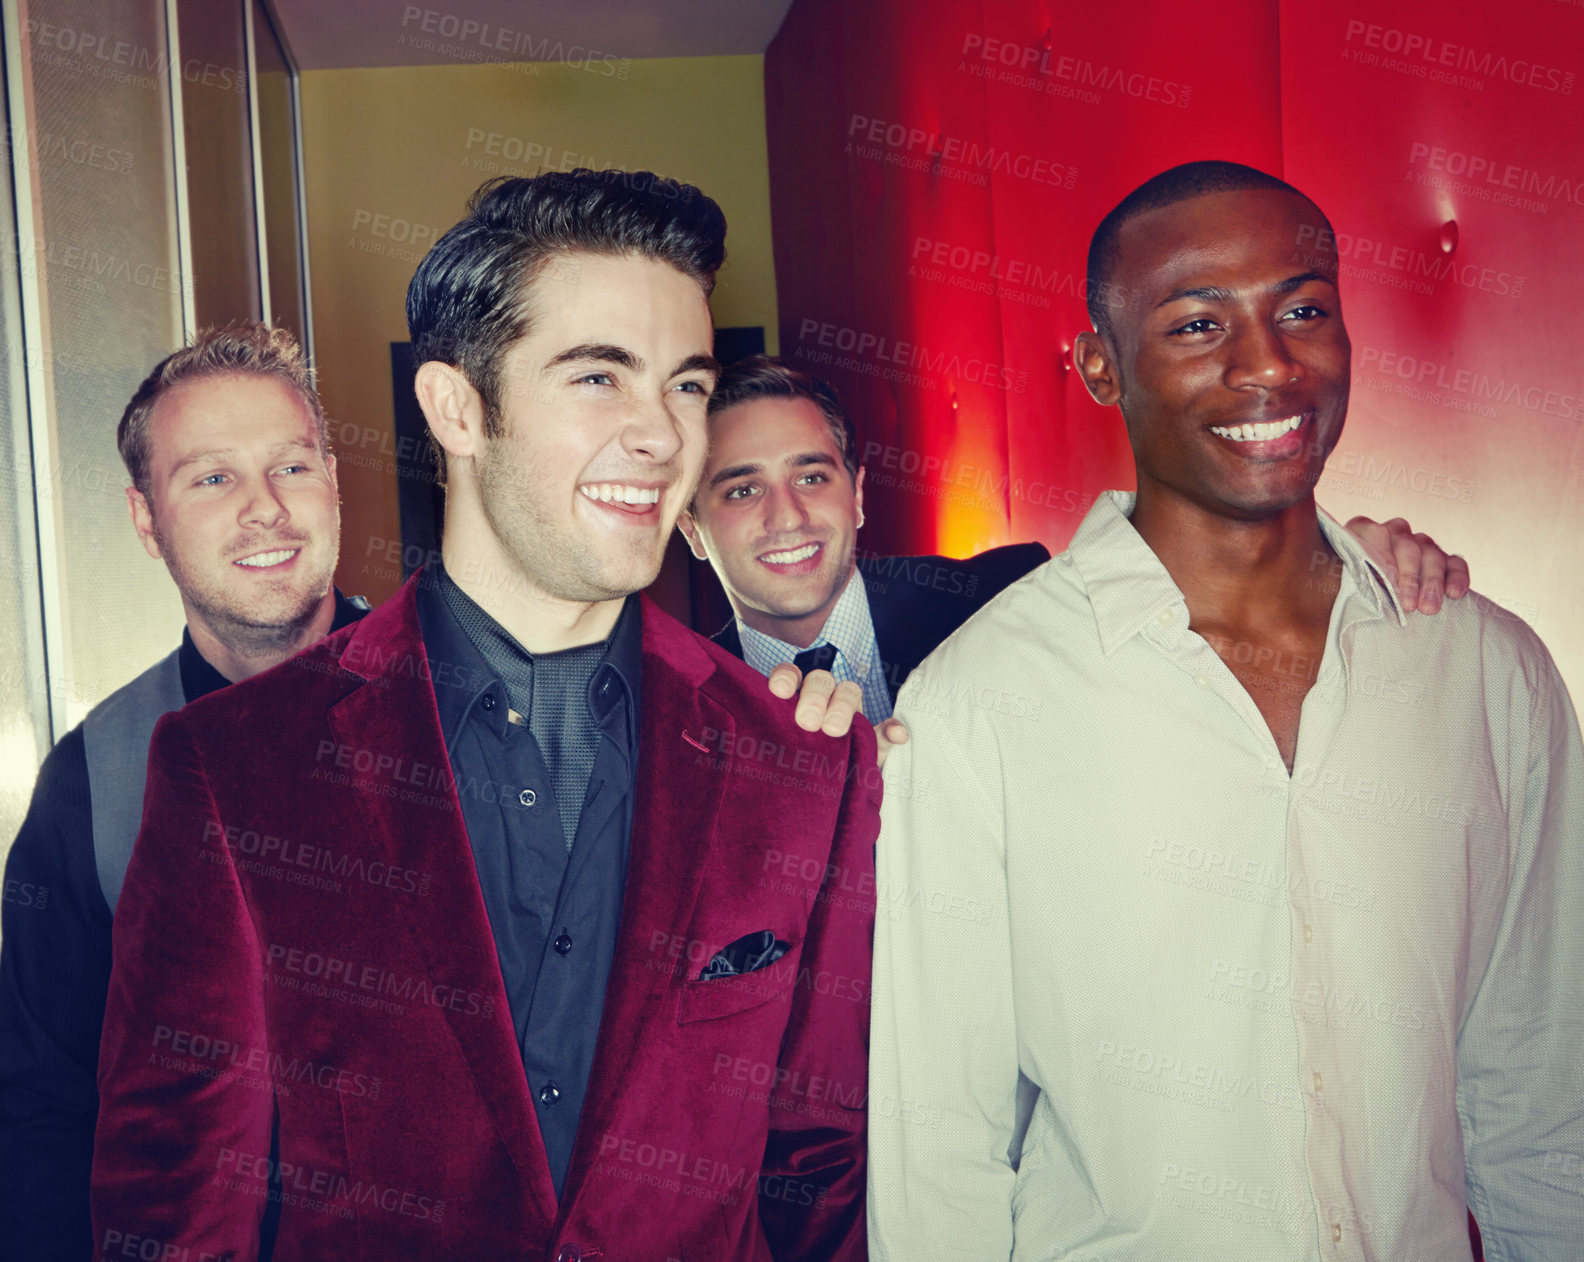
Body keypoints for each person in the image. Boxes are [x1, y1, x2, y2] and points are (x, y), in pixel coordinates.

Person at [91, 170, 877, 1261]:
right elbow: (175, 1214)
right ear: (457, 407)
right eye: (600, 376)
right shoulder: (235, 764)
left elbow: (821, 1172)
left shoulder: (801, 760)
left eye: (687, 384)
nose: (662, 435)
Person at [869, 160, 1583, 1260]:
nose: (1268, 364)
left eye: (1303, 309)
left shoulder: (1488, 674)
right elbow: (940, 1149)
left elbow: (1539, 1083)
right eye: (1198, 324)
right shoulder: (979, 704)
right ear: (1103, 367)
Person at [0, 322, 365, 1261]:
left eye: (291, 467)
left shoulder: (472, 704)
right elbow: (46, 1103)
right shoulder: (93, 781)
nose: (265, 512)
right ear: (144, 520)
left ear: (334, 481)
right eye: (211, 478)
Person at [682, 354, 1471, 743]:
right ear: (689, 525)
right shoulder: (671, 710)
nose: (786, 515)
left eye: (811, 476)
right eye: (741, 488)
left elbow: (1192, 595)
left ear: (857, 494)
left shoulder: (1011, 597)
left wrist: (1331, 560)